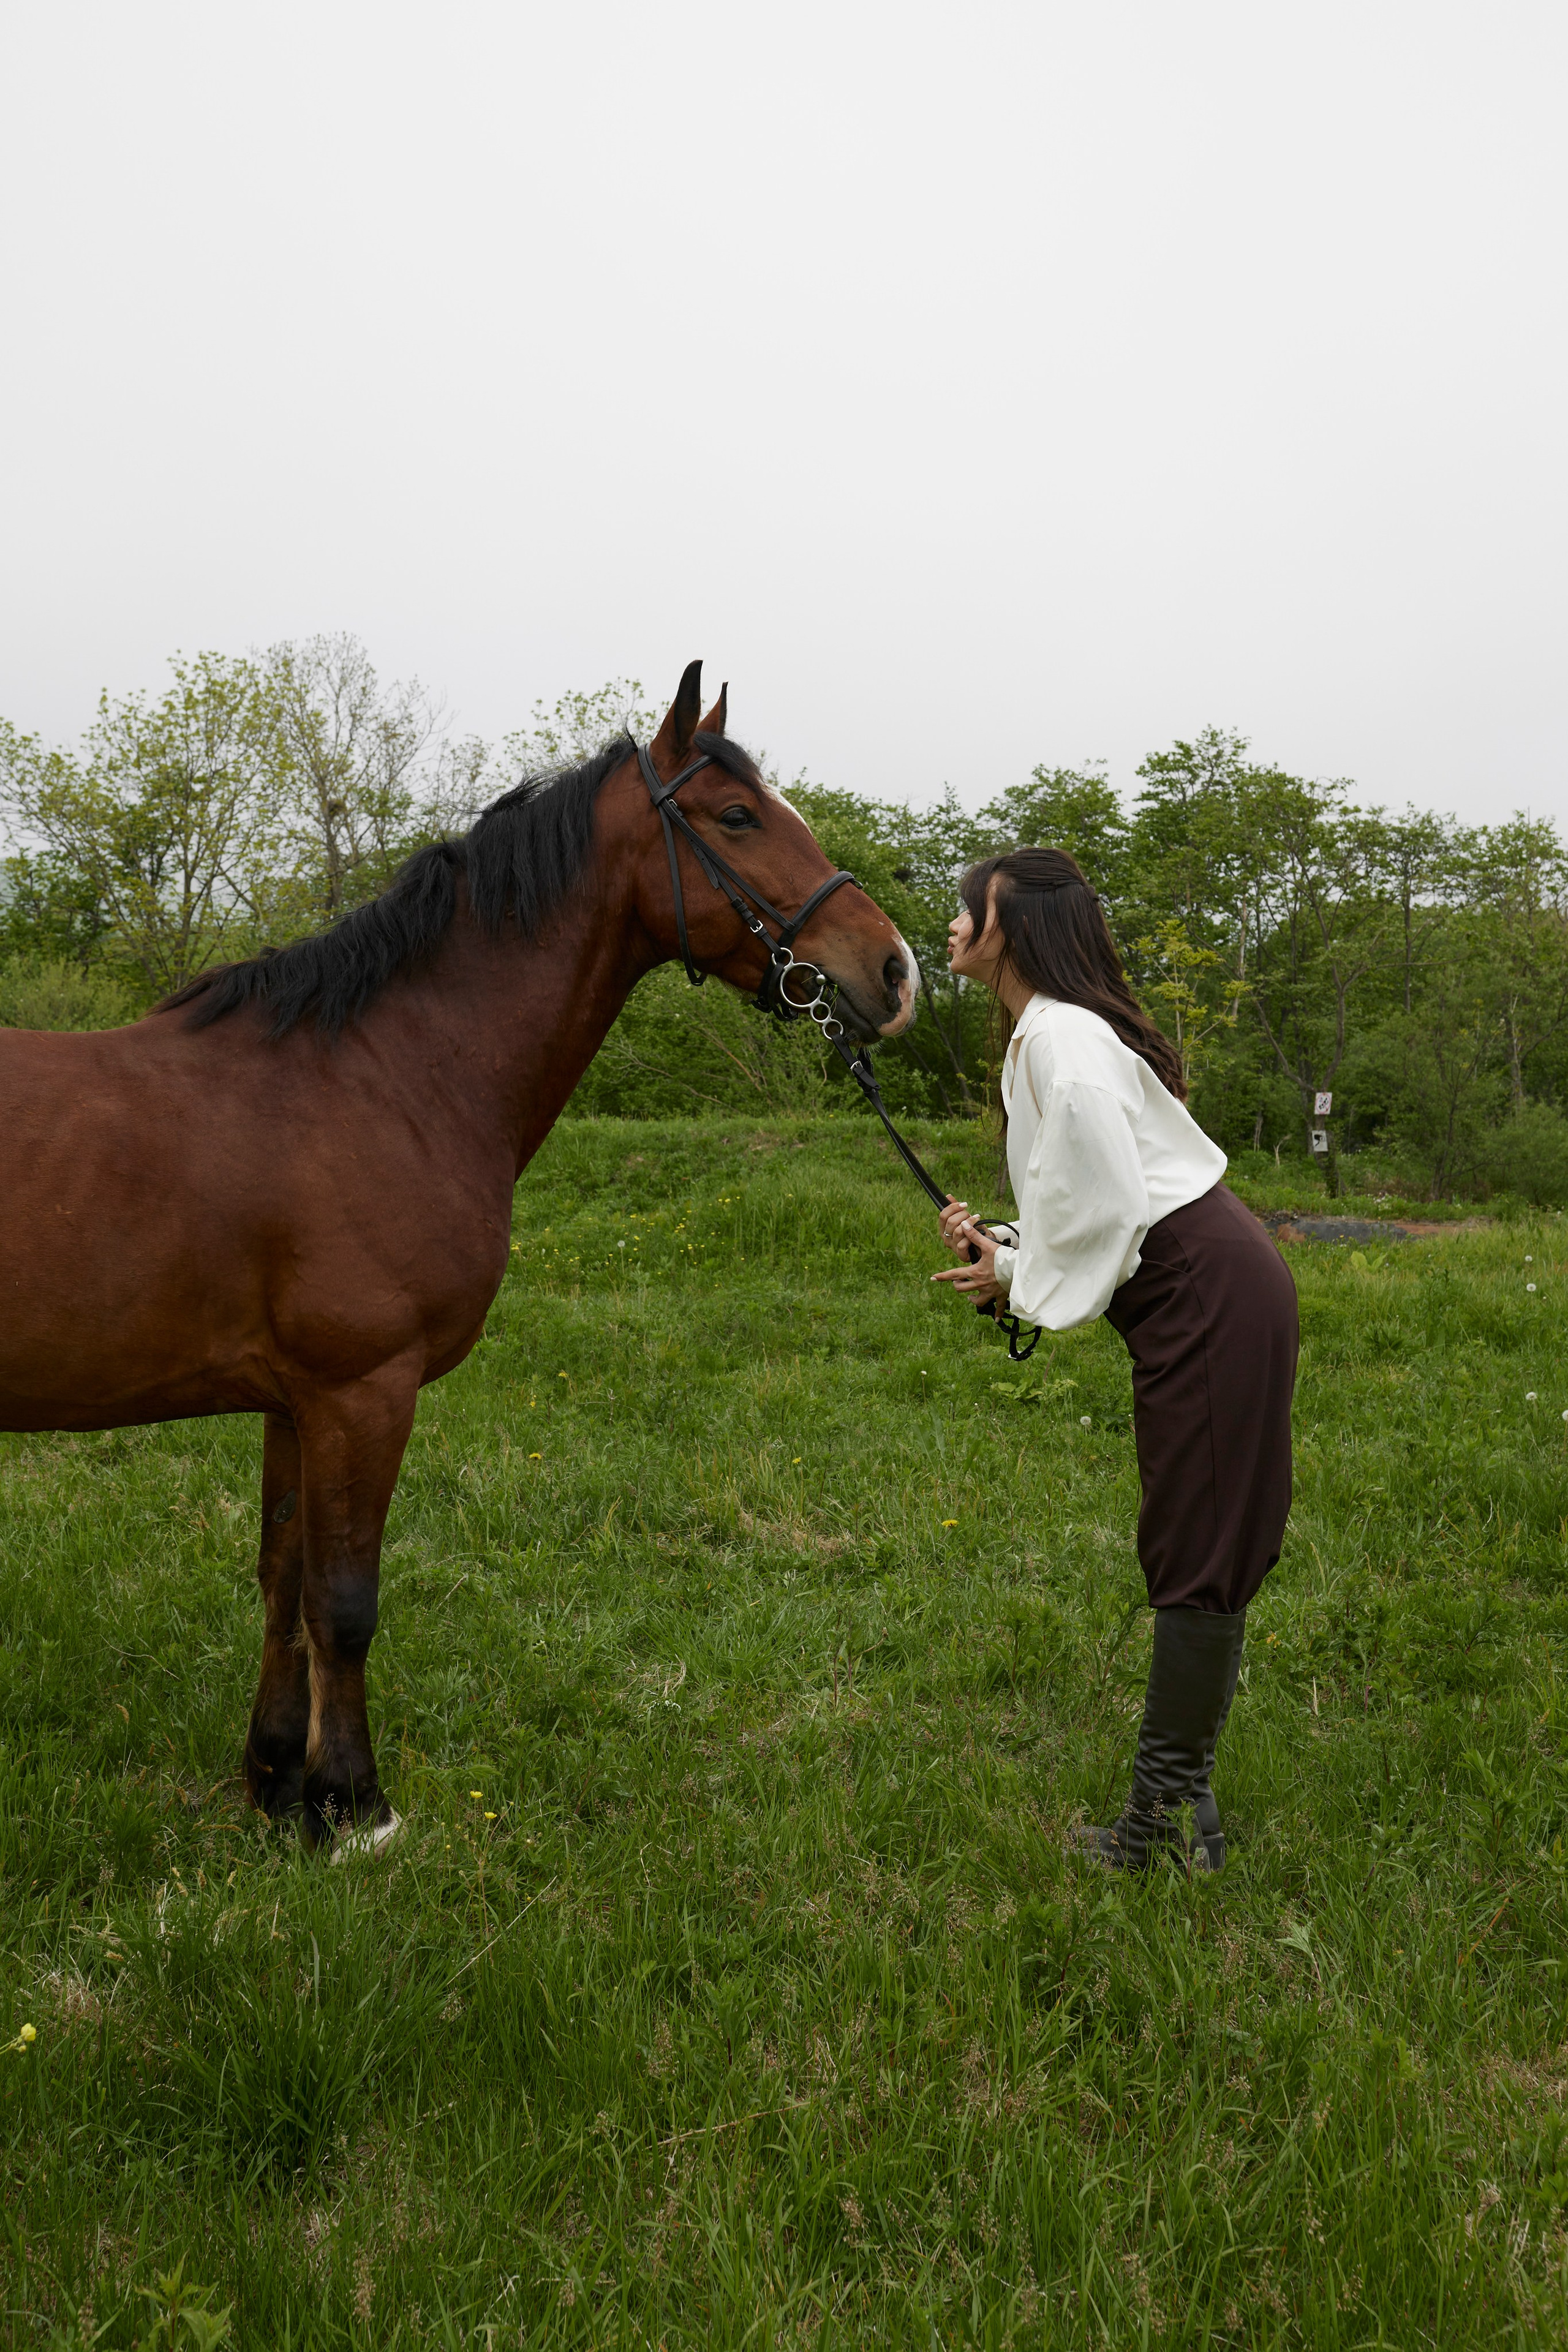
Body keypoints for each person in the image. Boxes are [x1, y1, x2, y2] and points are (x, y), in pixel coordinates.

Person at [932, 848, 1298, 1872]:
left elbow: (1108, 1201)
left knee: (1199, 1542)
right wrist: (1011, 1250)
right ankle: (1182, 1811)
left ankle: (1166, 1828)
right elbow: (1091, 1195)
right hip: (1201, 1280)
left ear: (1004, 925)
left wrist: (1022, 1280)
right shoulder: (1049, 1033)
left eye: (967, 908)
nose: (951, 924)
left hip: (1204, 1286)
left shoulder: (1058, 1033)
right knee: (1200, 1534)